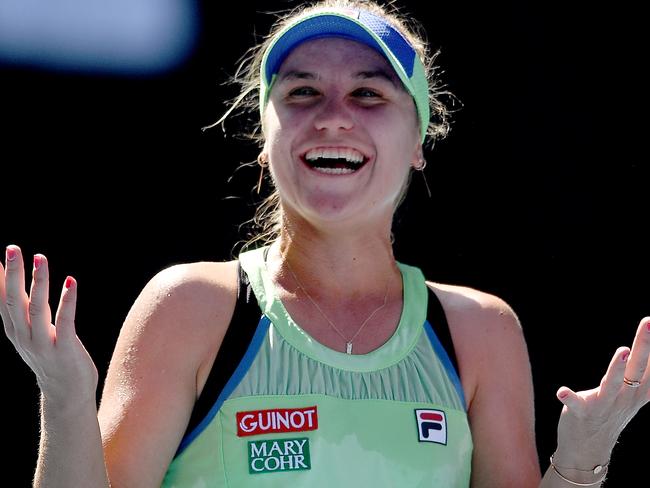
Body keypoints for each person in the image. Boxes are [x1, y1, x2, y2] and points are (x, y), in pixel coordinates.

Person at [1, 0, 647, 486]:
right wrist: (63, 400)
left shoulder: (482, 334)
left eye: (368, 92)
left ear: (419, 141)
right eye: (303, 91)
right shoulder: (188, 311)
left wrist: (582, 456)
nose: (333, 114)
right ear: (265, 137)